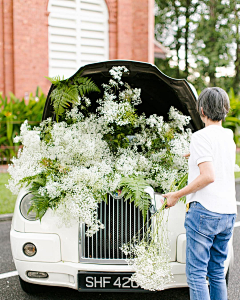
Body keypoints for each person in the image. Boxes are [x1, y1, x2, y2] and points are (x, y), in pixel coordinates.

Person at [162, 87, 237, 300]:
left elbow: (208, 176)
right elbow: (218, 160)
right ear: (225, 109)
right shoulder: (228, 136)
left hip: (205, 212)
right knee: (216, 273)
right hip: (227, 213)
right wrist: (194, 154)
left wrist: (177, 194)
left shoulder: (200, 137)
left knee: (196, 274)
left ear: (201, 110)